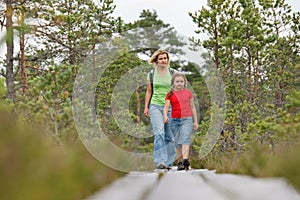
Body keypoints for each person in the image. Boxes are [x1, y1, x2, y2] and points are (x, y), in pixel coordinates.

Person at [144, 49, 176, 169]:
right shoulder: (151, 74)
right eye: (161, 58)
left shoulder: (173, 73)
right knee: (159, 133)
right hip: (155, 106)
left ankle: (169, 162)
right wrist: (146, 107)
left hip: (170, 107)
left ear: (168, 60)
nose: (163, 60)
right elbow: (149, 91)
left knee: (169, 136)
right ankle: (160, 162)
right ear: (156, 60)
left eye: (165, 58)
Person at [163, 72, 198, 170]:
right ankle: (180, 162)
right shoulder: (170, 94)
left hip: (187, 119)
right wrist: (165, 115)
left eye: (181, 81)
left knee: (185, 138)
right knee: (177, 142)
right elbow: (166, 107)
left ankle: (185, 160)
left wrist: (195, 121)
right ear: (173, 83)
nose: (179, 83)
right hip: (174, 120)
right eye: (177, 81)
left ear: (185, 82)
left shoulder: (188, 93)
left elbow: (193, 107)